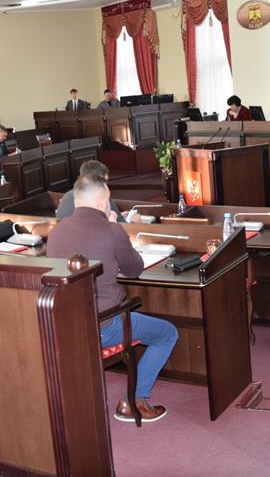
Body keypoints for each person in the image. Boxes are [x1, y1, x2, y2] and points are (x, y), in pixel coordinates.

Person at [46, 175, 177, 423]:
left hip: (67, 326)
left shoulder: (57, 231)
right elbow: (134, 269)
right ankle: (134, 401)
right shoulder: (112, 230)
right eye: (108, 200)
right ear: (101, 202)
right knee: (168, 333)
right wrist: (117, 229)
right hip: (105, 325)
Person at [55, 160, 125, 220]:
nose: (106, 185)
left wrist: (118, 215)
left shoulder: (67, 195)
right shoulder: (102, 197)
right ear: (98, 180)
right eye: (105, 181)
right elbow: (122, 224)